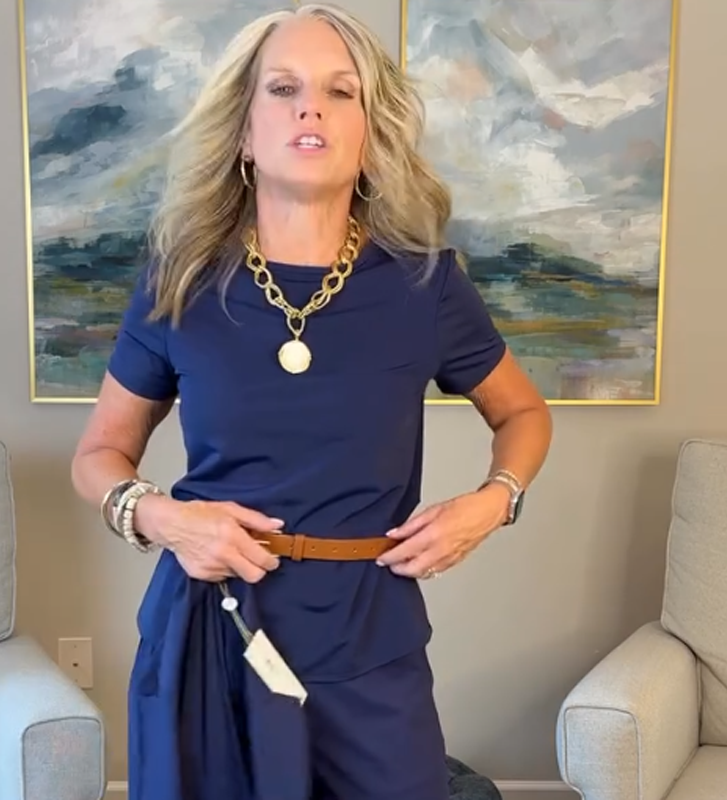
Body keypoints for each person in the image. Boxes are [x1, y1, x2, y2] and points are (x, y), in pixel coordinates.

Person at [71, 4, 552, 800]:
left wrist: (493, 501)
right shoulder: (179, 283)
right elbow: (98, 456)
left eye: (340, 91)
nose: (311, 109)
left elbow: (524, 415)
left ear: (370, 133)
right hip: (213, 632)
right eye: (283, 88)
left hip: (369, 634)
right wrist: (163, 518)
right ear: (243, 132)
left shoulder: (426, 285)